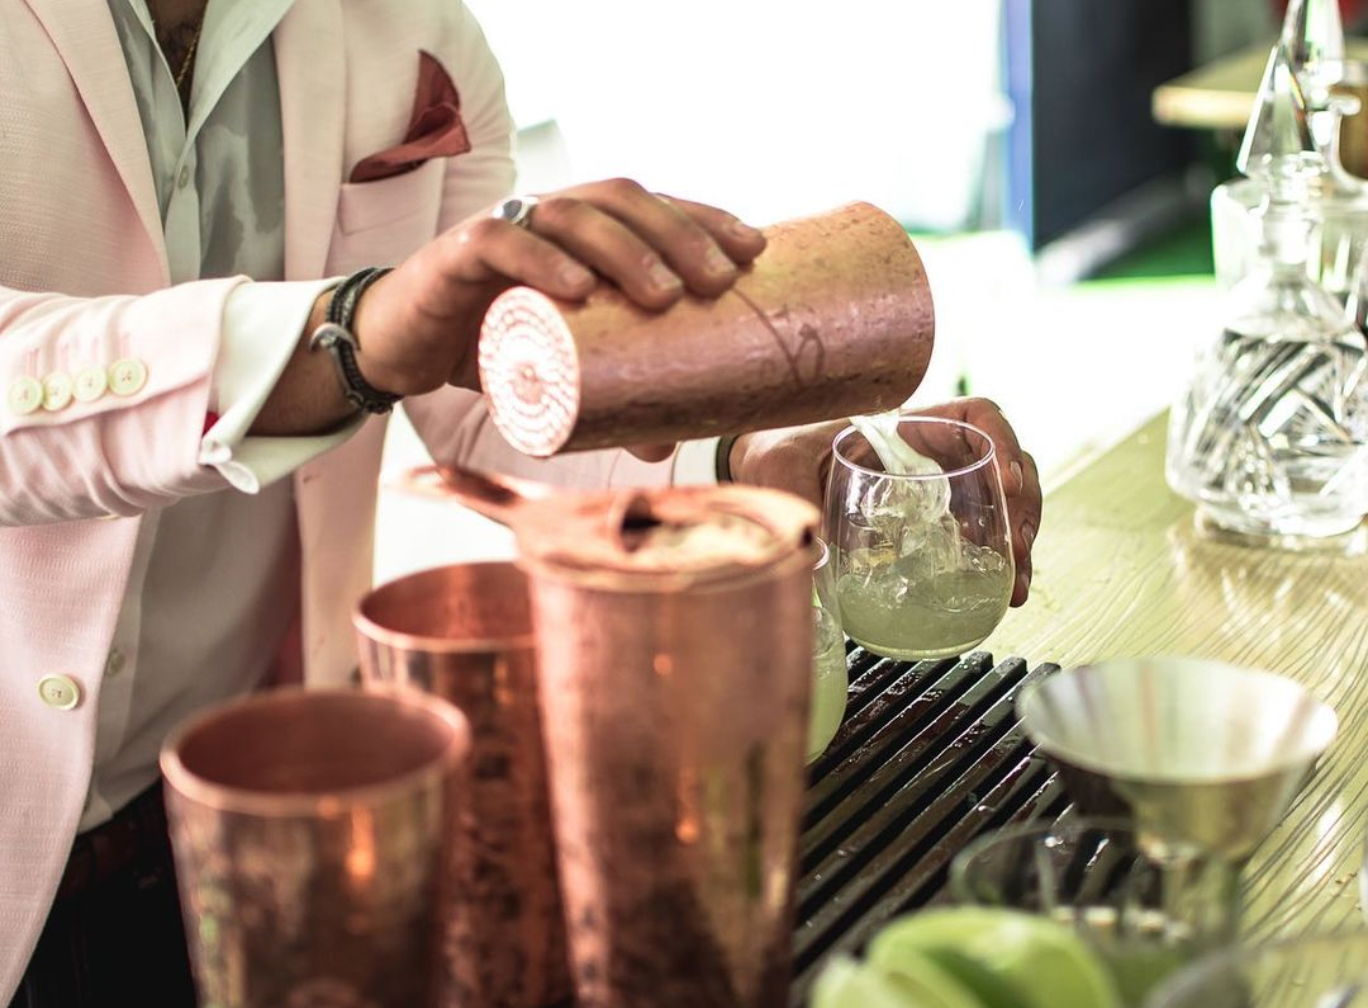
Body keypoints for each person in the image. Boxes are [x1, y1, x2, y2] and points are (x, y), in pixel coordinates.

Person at [0, 1, 1042, 1005]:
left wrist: (742, 464)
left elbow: (489, 397)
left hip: (283, 789)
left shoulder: (419, 26)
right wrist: (349, 332)